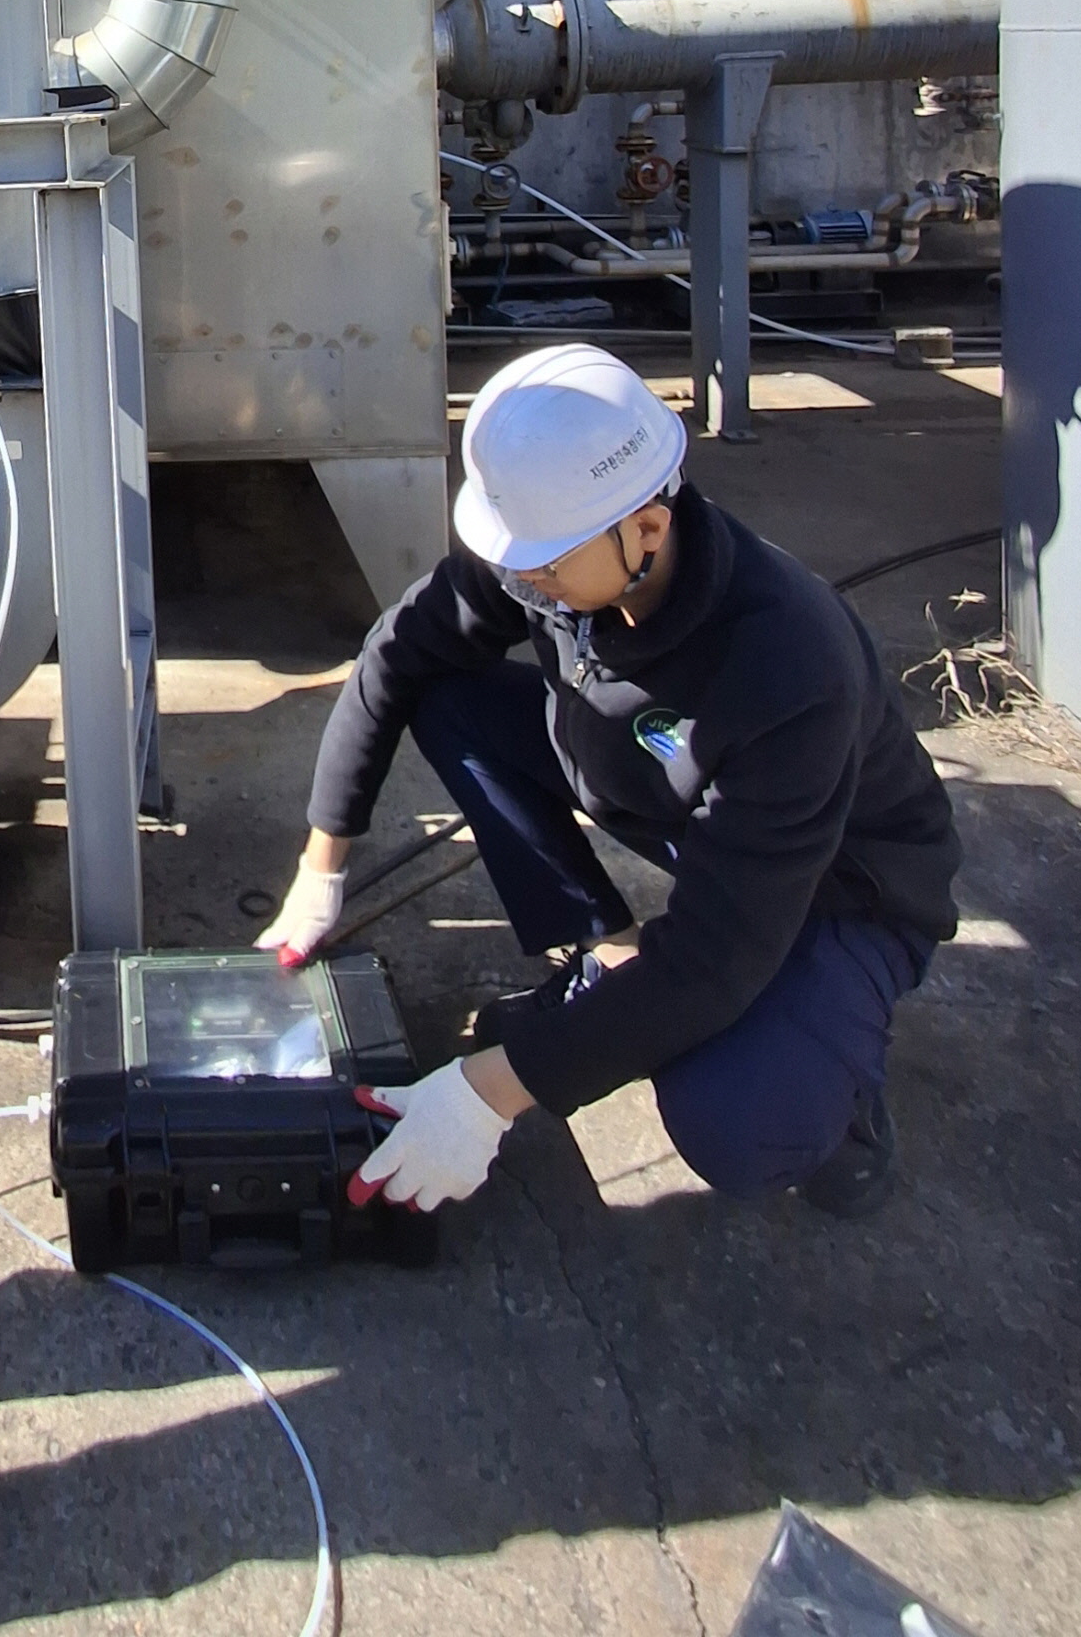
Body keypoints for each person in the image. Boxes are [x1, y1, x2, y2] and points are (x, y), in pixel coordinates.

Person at [255, 343, 960, 1225]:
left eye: (544, 565)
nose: (522, 579)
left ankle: (840, 1098)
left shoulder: (787, 666)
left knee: (739, 1121)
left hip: (838, 886)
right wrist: (320, 868)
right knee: (449, 697)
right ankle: (609, 953)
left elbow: (715, 961)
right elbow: (395, 657)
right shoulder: (554, 551)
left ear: (649, 530)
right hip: (669, 800)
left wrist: (489, 1091)